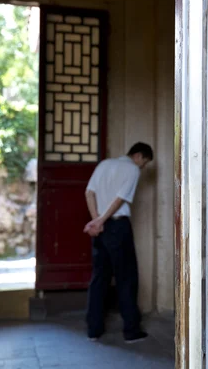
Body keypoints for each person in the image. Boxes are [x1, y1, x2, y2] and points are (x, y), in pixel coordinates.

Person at [83, 142, 153, 343]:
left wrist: (96, 220)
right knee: (126, 278)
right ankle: (131, 330)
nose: (143, 167)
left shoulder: (104, 164)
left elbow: (89, 192)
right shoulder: (131, 169)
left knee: (99, 277)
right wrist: (101, 220)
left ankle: (93, 330)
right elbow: (120, 199)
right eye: (144, 162)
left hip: (100, 229)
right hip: (117, 226)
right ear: (138, 156)